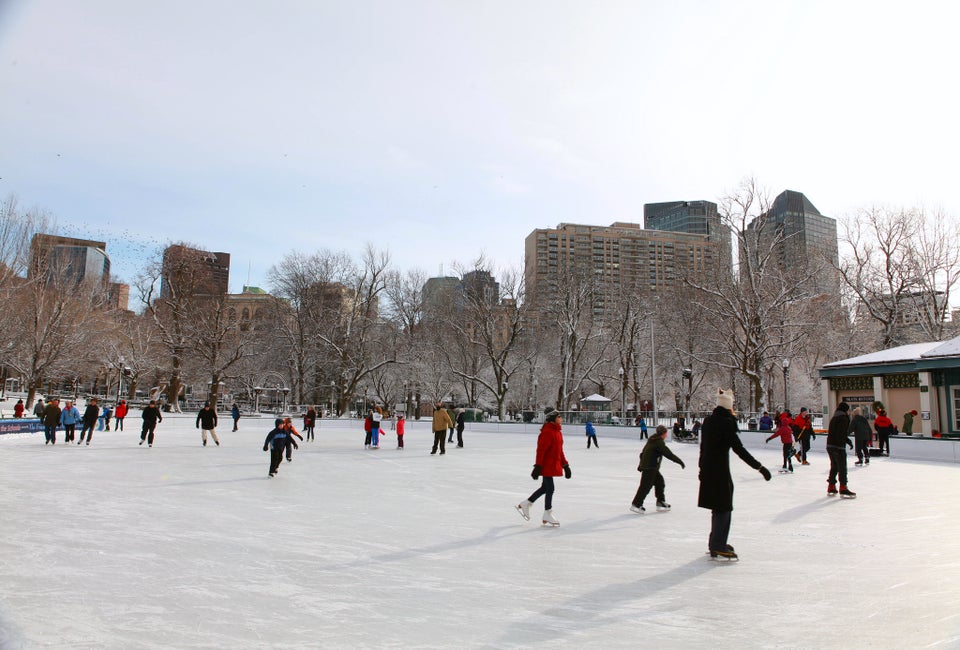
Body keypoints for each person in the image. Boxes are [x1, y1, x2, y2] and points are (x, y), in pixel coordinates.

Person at [698, 388, 771, 561]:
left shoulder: (708, 421)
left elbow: (703, 447)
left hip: (708, 469)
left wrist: (701, 469)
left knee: (718, 507)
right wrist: (759, 467)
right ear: (729, 406)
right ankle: (718, 544)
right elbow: (739, 449)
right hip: (720, 471)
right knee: (724, 506)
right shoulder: (726, 423)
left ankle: (715, 542)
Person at [516, 408, 570, 526]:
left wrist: (565, 465)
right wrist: (538, 466)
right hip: (546, 465)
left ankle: (526, 503)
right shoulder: (547, 432)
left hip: (553, 464)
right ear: (553, 418)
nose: (561, 418)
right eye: (559, 416)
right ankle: (547, 513)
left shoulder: (558, 432)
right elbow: (541, 451)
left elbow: (560, 451)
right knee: (550, 488)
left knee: (545, 488)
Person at [630, 424, 685, 513]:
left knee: (660, 482)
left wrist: (641, 465)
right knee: (645, 486)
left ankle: (660, 502)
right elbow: (668, 454)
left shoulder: (653, 439)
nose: (666, 435)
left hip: (650, 467)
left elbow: (643, 453)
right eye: (666, 433)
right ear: (663, 433)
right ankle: (636, 504)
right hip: (650, 467)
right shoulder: (658, 442)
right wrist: (679, 461)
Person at [826, 402, 856, 497]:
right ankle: (843, 487)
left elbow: (836, 432)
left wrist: (846, 441)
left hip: (830, 445)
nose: (849, 412)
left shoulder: (834, 418)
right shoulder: (843, 419)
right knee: (842, 466)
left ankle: (831, 485)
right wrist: (844, 442)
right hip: (838, 446)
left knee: (834, 466)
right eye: (848, 410)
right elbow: (841, 433)